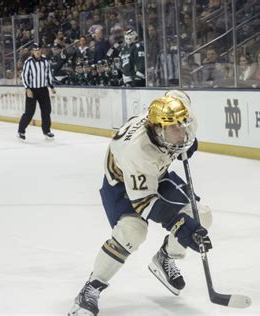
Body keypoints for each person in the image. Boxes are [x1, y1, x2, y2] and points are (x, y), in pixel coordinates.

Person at [68, 91, 212, 316]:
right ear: (158, 130)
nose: (182, 131)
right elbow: (145, 202)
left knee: (201, 215)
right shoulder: (137, 151)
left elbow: (176, 95)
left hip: (156, 173)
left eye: (183, 124)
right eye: (175, 128)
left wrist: (185, 142)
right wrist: (179, 225)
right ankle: (91, 288)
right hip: (121, 184)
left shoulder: (171, 116)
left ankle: (165, 257)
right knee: (133, 232)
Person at [17, 43, 56, 141]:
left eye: (39, 49)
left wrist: (51, 86)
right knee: (29, 112)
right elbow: (24, 76)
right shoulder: (28, 62)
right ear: (32, 52)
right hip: (32, 90)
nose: (38, 51)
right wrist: (27, 89)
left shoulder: (45, 61)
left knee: (46, 111)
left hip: (43, 89)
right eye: (35, 50)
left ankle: (46, 131)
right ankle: (21, 130)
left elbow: (48, 74)